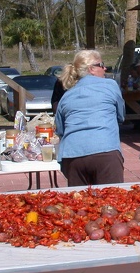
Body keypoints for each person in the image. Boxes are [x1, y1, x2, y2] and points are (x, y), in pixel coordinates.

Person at [54, 50, 125, 186]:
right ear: (91, 69)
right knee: (112, 203)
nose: (105, 68)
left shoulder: (67, 95)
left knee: (80, 205)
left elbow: (60, 129)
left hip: (72, 156)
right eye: (101, 65)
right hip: (105, 152)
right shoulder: (110, 85)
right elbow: (120, 116)